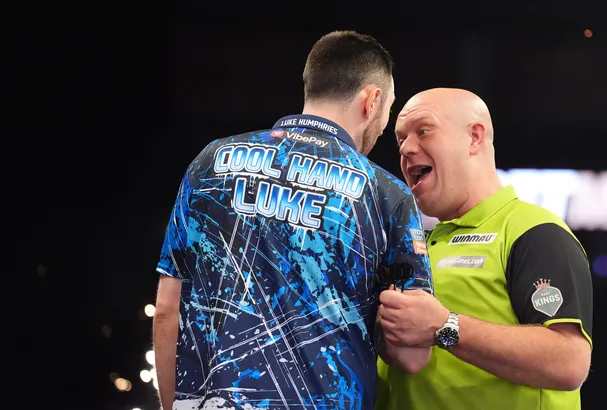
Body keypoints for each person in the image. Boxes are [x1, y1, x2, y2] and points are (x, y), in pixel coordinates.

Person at [152, 31, 434, 410]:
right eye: (388, 111)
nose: (383, 127)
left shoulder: (211, 161)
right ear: (372, 101)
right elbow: (412, 356)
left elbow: (168, 308)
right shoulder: (387, 194)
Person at [375, 88, 594, 409]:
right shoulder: (415, 242)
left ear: (474, 138)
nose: (406, 148)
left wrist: (445, 326)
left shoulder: (532, 230)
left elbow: (569, 362)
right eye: (400, 140)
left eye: (423, 131)